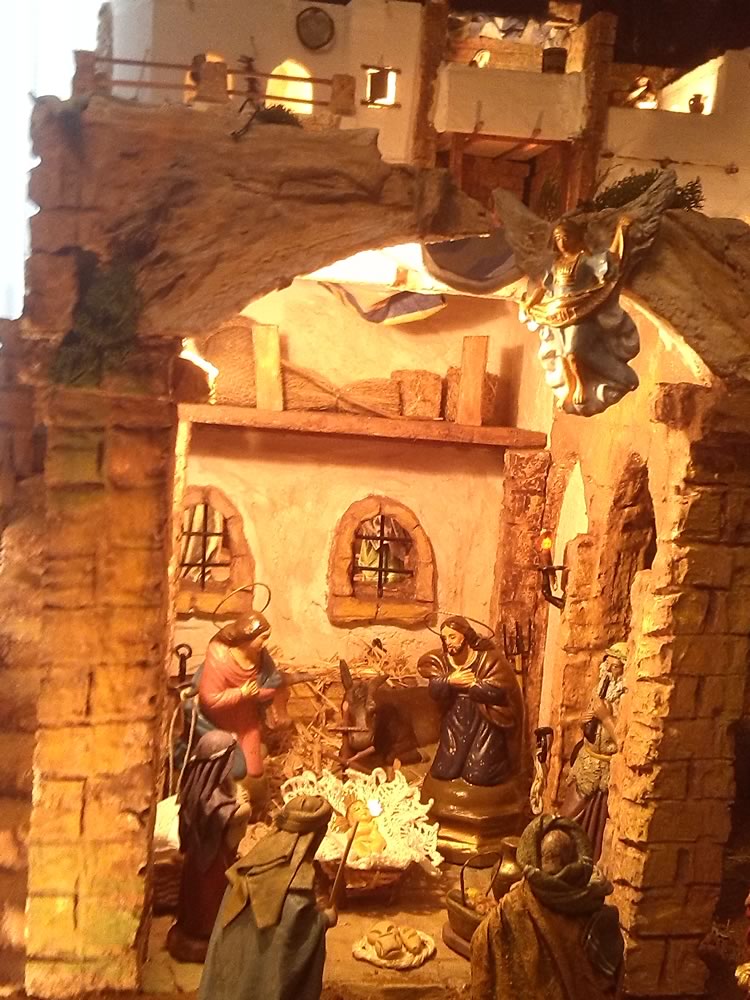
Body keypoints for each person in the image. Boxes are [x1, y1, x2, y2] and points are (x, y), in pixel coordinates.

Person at [471, 814, 624, 1000]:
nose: (555, 870)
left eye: (557, 860)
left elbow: (480, 941)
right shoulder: (592, 902)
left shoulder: (514, 903)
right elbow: (611, 979)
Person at [199, 795, 336, 1000]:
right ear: (315, 836)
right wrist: (325, 920)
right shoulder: (296, 889)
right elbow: (298, 941)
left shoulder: (244, 870)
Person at [417, 616, 525, 860]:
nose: (449, 642)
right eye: (445, 638)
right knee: (444, 770)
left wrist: (473, 685)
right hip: (456, 721)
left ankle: (493, 767)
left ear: (465, 636)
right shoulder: (442, 661)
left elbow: (501, 690)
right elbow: (434, 689)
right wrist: (450, 681)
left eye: (452, 637)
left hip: (485, 722)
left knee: (479, 774)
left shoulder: (489, 659)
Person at [519, 216, 640, 416]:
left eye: (565, 237)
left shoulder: (585, 260)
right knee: (563, 355)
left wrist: (621, 230)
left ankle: (586, 384)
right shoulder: (556, 264)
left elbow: (612, 259)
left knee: (574, 352)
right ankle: (571, 387)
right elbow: (543, 287)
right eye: (558, 238)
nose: (562, 242)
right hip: (557, 313)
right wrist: (530, 304)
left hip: (581, 310)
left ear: (576, 237)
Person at [167, 731, 250, 963]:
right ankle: (205, 932)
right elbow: (230, 814)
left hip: (206, 857)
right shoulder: (208, 796)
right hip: (209, 862)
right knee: (208, 899)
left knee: (205, 896)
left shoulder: (201, 786)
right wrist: (244, 806)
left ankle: (203, 928)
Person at [198, 612, 282, 815]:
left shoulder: (261, 657)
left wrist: (257, 694)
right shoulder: (220, 659)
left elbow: (272, 683)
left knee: (254, 769)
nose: (265, 644)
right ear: (248, 637)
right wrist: (241, 693)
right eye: (262, 638)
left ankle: (254, 808)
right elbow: (210, 699)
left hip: (247, 719)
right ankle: (224, 806)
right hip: (222, 722)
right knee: (230, 767)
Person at [560, 643, 627, 861]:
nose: (610, 671)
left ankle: (586, 861)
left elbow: (624, 741)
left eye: (616, 667)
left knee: (595, 827)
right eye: (608, 666)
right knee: (569, 816)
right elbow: (590, 728)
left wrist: (606, 718)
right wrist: (584, 721)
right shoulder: (599, 690)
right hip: (587, 765)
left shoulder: (626, 700)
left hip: (605, 771)